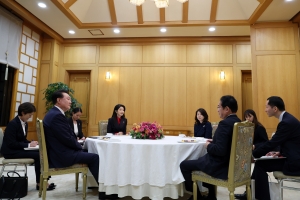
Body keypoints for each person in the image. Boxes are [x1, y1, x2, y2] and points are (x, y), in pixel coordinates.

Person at [180, 95, 241, 200]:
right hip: (234, 166)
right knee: (199, 160)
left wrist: (208, 145)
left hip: (219, 166)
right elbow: (230, 142)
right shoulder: (238, 122)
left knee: (184, 165)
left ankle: (197, 196)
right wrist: (215, 141)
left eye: (219, 107)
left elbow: (219, 150)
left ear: (227, 109)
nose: (217, 110)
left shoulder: (225, 124)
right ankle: (211, 196)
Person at [43, 90, 99, 185]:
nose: (70, 101)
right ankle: (103, 190)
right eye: (68, 99)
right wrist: (79, 147)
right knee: (94, 157)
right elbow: (67, 138)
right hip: (62, 155)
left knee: (90, 152)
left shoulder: (53, 113)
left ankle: (94, 184)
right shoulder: (57, 116)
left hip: (59, 151)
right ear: (59, 100)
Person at [249, 96, 300, 200]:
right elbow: (290, 142)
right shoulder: (288, 119)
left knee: (260, 165)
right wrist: (280, 153)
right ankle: (250, 193)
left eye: (267, 107)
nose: (265, 110)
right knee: (261, 163)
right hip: (292, 157)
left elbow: (272, 143)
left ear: (275, 109)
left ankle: (261, 197)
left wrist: (254, 155)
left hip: (295, 163)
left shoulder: (286, 122)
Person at [1, 102, 55, 191]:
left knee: (42, 152)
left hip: (17, 149)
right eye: (29, 115)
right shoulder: (13, 124)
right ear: (23, 113)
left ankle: (44, 180)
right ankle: (40, 183)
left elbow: (22, 140)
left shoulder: (25, 123)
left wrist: (32, 142)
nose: (30, 117)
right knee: (38, 156)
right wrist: (28, 145)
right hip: (10, 152)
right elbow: (11, 143)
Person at [234, 109, 269, 199]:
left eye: (250, 116)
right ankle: (248, 191)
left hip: (259, 152)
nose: (248, 119)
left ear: (254, 117)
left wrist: (255, 146)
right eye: (246, 117)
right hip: (248, 151)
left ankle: (249, 192)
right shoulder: (246, 128)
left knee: (255, 171)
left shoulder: (260, 127)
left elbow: (265, 142)